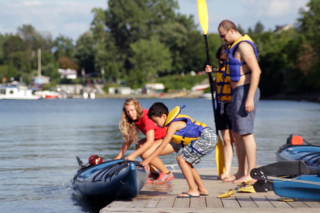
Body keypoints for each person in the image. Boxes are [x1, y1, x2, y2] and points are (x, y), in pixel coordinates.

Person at [216, 20, 261, 184]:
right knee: (237, 134)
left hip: (246, 91)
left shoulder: (243, 46)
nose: (222, 39)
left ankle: (252, 173)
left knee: (246, 133)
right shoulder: (233, 46)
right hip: (236, 93)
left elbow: (257, 70)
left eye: (223, 35)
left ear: (231, 30)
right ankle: (241, 171)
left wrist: (249, 97)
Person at [141, 103, 218, 198]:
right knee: (187, 162)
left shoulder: (173, 125)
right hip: (209, 136)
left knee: (181, 159)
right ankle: (202, 189)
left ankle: (193, 190)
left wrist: (147, 161)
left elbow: (162, 146)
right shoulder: (173, 123)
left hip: (206, 137)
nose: (156, 124)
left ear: (164, 116)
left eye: (156, 121)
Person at [114, 98, 179, 184]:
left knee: (146, 152)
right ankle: (154, 174)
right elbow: (129, 139)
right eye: (127, 111)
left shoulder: (146, 117)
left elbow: (150, 142)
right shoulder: (134, 119)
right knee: (139, 145)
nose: (130, 113)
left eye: (132, 110)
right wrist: (119, 156)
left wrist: (132, 155)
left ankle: (167, 173)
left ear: (137, 108)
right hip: (160, 139)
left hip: (172, 140)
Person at [205, 44, 237, 181]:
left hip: (232, 105)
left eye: (224, 59)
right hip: (221, 106)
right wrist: (210, 75)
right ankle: (227, 171)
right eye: (220, 60)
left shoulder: (234, 70)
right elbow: (215, 88)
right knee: (227, 140)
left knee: (236, 139)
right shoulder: (218, 70)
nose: (221, 62)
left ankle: (244, 170)